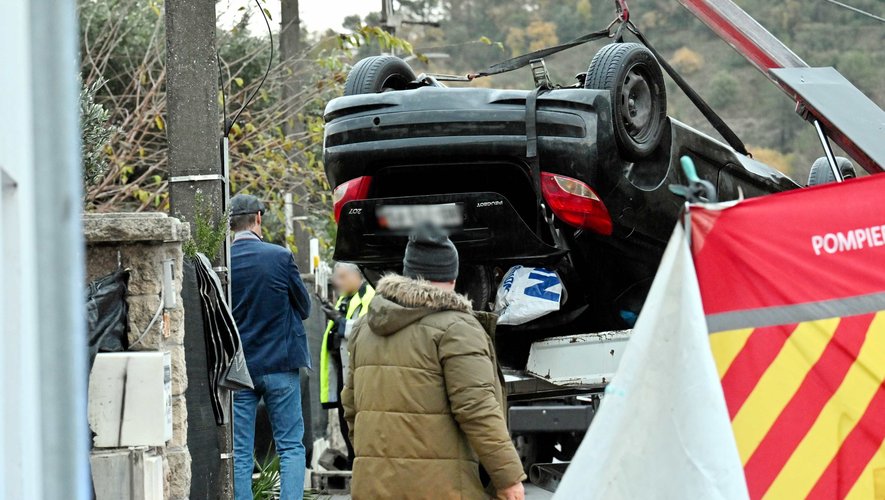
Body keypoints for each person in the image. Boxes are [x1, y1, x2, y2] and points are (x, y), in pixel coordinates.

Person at [341, 223, 526, 500]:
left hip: (374, 486)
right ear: (452, 276)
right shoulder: (456, 328)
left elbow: (351, 408)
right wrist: (508, 478)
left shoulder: (364, 327)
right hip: (441, 488)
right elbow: (477, 409)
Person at [229, 194, 311, 500]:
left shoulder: (223, 264)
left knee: (239, 450)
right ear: (258, 219)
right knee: (290, 445)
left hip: (239, 370)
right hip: (280, 363)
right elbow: (304, 307)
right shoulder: (280, 257)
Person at [319, 262, 374, 464]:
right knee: (345, 419)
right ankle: (353, 463)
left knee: (357, 421)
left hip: (358, 371)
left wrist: (339, 320)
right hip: (343, 370)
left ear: (356, 276)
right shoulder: (345, 298)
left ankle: (360, 465)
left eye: (342, 277)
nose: (336, 281)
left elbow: (365, 328)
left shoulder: (369, 297)